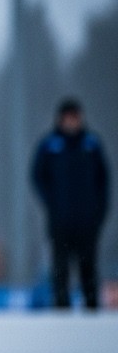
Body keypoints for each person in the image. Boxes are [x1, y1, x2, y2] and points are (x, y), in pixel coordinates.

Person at [31, 98, 110, 310]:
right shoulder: (50, 145)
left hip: (87, 219)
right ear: (60, 119)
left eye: (75, 117)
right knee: (60, 266)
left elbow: (104, 181)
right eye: (68, 117)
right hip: (60, 219)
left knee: (88, 265)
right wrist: (52, 203)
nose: (71, 121)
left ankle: (91, 306)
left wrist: (99, 211)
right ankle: (61, 305)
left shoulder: (91, 144)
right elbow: (37, 176)